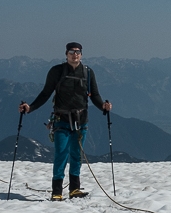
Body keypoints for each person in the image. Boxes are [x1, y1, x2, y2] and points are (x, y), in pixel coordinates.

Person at [19, 42, 112, 200]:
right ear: (66, 54)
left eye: (78, 52)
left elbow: (94, 95)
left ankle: (74, 189)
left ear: (81, 54)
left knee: (76, 154)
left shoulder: (88, 73)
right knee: (61, 154)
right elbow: (46, 93)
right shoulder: (57, 71)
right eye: (71, 52)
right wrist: (30, 108)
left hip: (81, 120)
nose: (75, 54)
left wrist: (103, 106)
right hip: (61, 119)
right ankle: (57, 191)